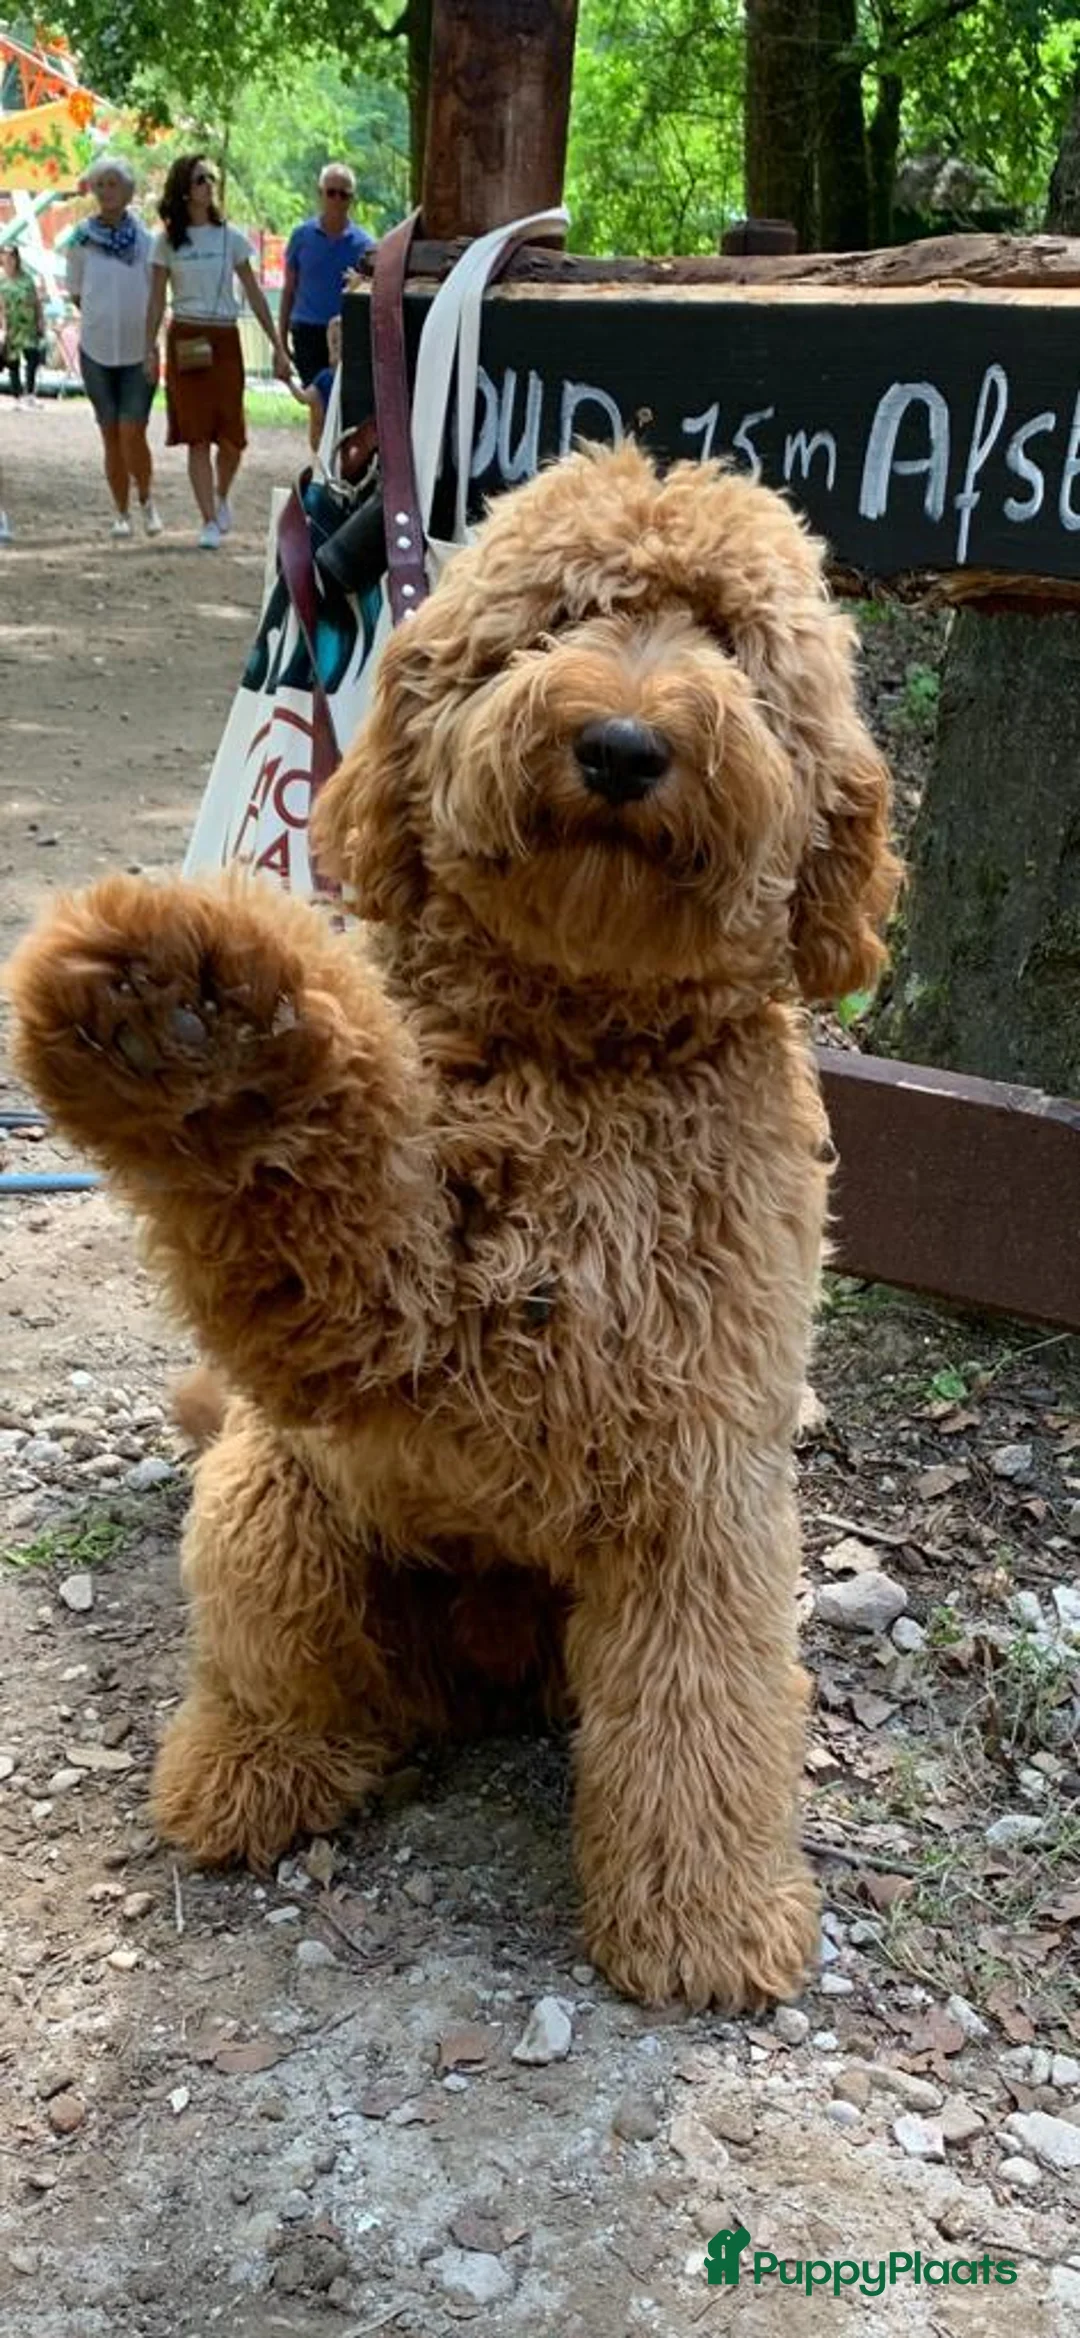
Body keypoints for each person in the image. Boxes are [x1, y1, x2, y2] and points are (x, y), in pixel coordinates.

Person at [145, 153, 291, 549]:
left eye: (210, 178)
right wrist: (149, 347)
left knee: (231, 437)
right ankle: (208, 519)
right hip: (187, 336)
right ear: (184, 190)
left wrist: (278, 345)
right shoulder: (166, 243)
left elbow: (255, 295)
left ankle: (222, 493)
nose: (208, 185)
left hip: (224, 337)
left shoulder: (231, 238)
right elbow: (156, 299)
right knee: (196, 435)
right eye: (199, 180)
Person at [67, 156, 162, 541]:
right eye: (100, 185)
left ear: (128, 191)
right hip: (96, 351)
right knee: (110, 434)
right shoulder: (80, 239)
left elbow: (157, 296)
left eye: (113, 184)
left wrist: (151, 343)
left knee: (132, 431)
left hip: (139, 351)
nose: (106, 192)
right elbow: (76, 291)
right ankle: (121, 512)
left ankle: (147, 500)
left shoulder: (146, 241)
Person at [279, 165, 372, 386]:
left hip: (345, 333)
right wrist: (280, 342)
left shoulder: (364, 245)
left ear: (352, 199)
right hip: (307, 331)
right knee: (315, 396)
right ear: (320, 194)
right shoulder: (301, 237)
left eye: (344, 194)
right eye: (331, 193)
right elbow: (289, 290)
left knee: (341, 397)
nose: (337, 200)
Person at [0, 245, 45, 406]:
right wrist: (3, 327)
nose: (8, 260)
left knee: (32, 357)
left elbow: (36, 301)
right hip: (10, 325)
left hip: (28, 324)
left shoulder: (26, 279)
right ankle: (16, 395)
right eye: (5, 256)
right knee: (13, 362)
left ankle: (30, 393)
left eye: (12, 256)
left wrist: (40, 320)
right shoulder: (1, 280)